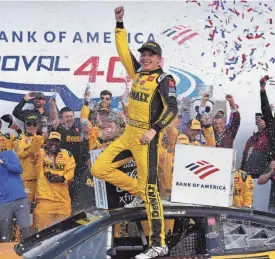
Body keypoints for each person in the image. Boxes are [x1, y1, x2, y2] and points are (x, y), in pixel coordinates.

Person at [91, 6, 178, 258]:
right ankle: (138, 192)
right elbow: (122, 51)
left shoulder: (165, 79)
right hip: (128, 134)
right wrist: (119, 24)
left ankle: (158, 243)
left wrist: (154, 130)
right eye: (144, 54)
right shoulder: (138, 74)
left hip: (145, 140)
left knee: (152, 190)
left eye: (151, 55)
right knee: (99, 169)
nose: (146, 57)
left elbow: (172, 109)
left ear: (160, 59)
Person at [0, 141, 31, 242]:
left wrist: (3, 162)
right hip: (3, 202)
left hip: (20, 198)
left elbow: (19, 169)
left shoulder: (9, 154)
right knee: (5, 235)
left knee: (25, 229)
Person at [34, 132, 76, 231]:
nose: (54, 143)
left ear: (60, 143)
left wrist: (62, 178)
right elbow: (32, 151)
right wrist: (40, 139)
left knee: (63, 235)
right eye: (52, 140)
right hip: (45, 202)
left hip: (63, 202)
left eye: (56, 141)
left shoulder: (67, 154)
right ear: (47, 141)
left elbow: (71, 172)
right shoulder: (40, 153)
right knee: (43, 235)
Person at [55, 107, 93, 213]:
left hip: (79, 173)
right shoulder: (59, 130)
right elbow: (54, 120)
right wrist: (53, 105)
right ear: (61, 119)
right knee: (66, 202)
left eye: (71, 116)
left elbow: (84, 151)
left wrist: (86, 135)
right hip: (64, 173)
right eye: (67, 117)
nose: (70, 118)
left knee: (79, 201)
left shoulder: (77, 131)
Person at [241, 114, 268, 179]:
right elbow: (245, 154)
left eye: (262, 120)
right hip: (249, 172)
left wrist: (265, 128)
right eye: (258, 120)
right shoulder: (252, 138)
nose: (260, 122)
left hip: (263, 173)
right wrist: (242, 170)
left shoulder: (270, 136)